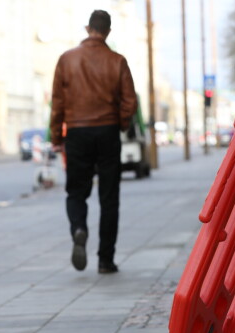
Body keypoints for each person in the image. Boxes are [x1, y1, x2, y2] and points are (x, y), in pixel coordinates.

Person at [50, 10, 138, 274]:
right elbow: (129, 101)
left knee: (76, 192)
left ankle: (79, 228)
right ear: (108, 31)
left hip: (77, 132)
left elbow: (57, 103)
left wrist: (57, 136)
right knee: (109, 197)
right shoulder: (118, 61)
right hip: (108, 131)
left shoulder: (66, 60)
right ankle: (105, 260)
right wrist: (120, 123)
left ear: (88, 28)